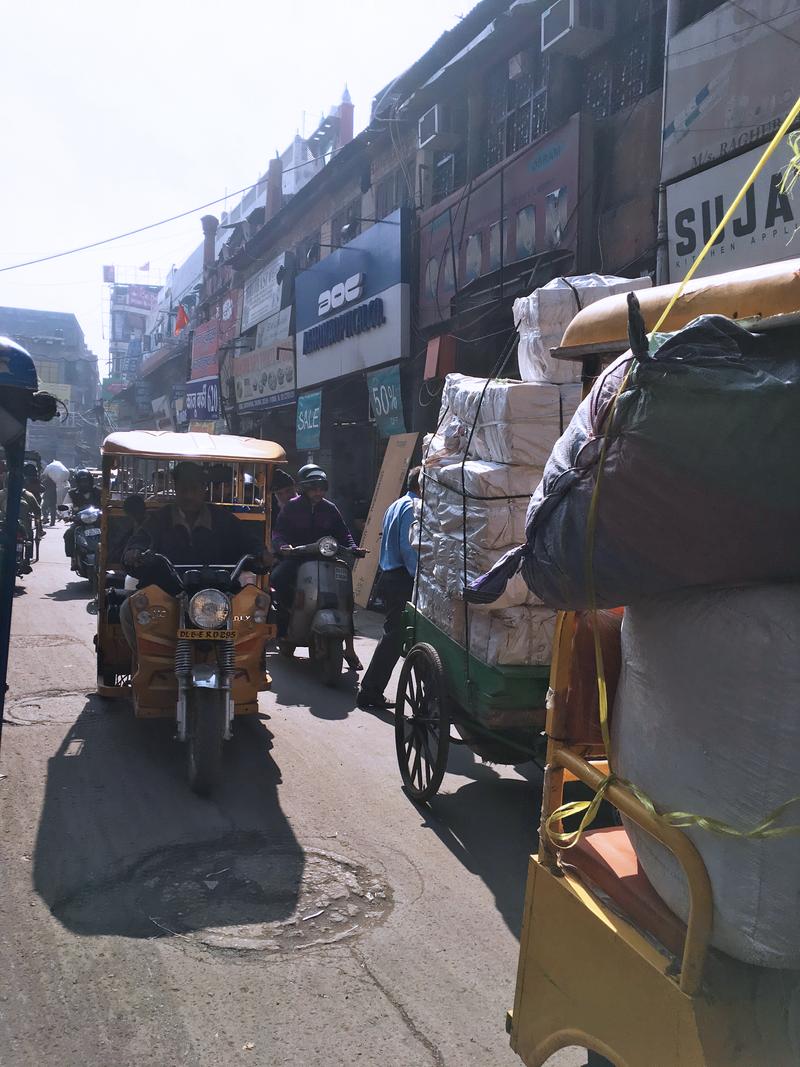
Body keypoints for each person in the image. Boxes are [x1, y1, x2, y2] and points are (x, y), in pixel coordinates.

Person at [119, 462, 273, 651]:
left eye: (193, 489)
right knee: (128, 609)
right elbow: (139, 541)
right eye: (183, 489)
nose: (188, 495)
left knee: (257, 610)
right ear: (175, 489)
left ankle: (246, 666)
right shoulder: (158, 519)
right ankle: (145, 663)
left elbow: (250, 542)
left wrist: (262, 555)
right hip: (167, 594)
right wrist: (134, 553)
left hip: (220, 595)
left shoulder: (224, 519)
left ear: (203, 489)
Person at [271, 464, 362, 668]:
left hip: (326, 558)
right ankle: (285, 628)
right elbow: (278, 532)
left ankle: (350, 648)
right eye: (314, 488)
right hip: (297, 558)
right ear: (304, 488)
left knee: (345, 592)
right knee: (278, 578)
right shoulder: (292, 507)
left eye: (321, 488)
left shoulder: (330, 508)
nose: (318, 492)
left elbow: (343, 532)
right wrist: (283, 546)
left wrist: (353, 548)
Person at [357, 466, 421, 711]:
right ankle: (370, 691)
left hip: (390, 575)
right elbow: (409, 547)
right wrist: (420, 578)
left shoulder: (396, 505)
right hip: (402, 577)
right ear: (421, 485)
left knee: (395, 634)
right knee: (395, 636)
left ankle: (372, 689)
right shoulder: (413, 508)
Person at [63, 470, 102, 561]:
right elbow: (66, 505)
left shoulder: (99, 492)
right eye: (81, 482)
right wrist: (66, 515)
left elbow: (106, 504)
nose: (84, 484)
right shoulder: (71, 493)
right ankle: (73, 558)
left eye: (86, 481)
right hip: (79, 522)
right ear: (77, 482)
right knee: (69, 534)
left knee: (110, 534)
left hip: (98, 522)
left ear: (90, 481)